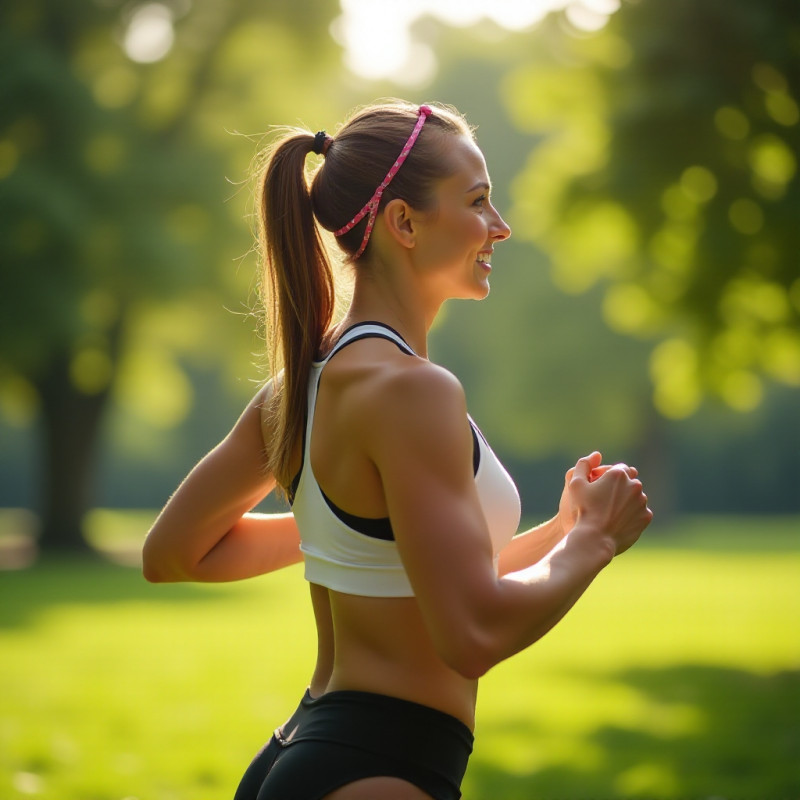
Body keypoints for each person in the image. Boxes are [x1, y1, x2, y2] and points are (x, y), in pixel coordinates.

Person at [142, 99, 653, 800]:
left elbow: (173, 554)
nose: (499, 228)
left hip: (311, 752)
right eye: (478, 202)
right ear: (403, 223)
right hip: (378, 765)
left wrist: (561, 529)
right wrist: (593, 540)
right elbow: (471, 633)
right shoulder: (414, 392)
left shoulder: (305, 383)